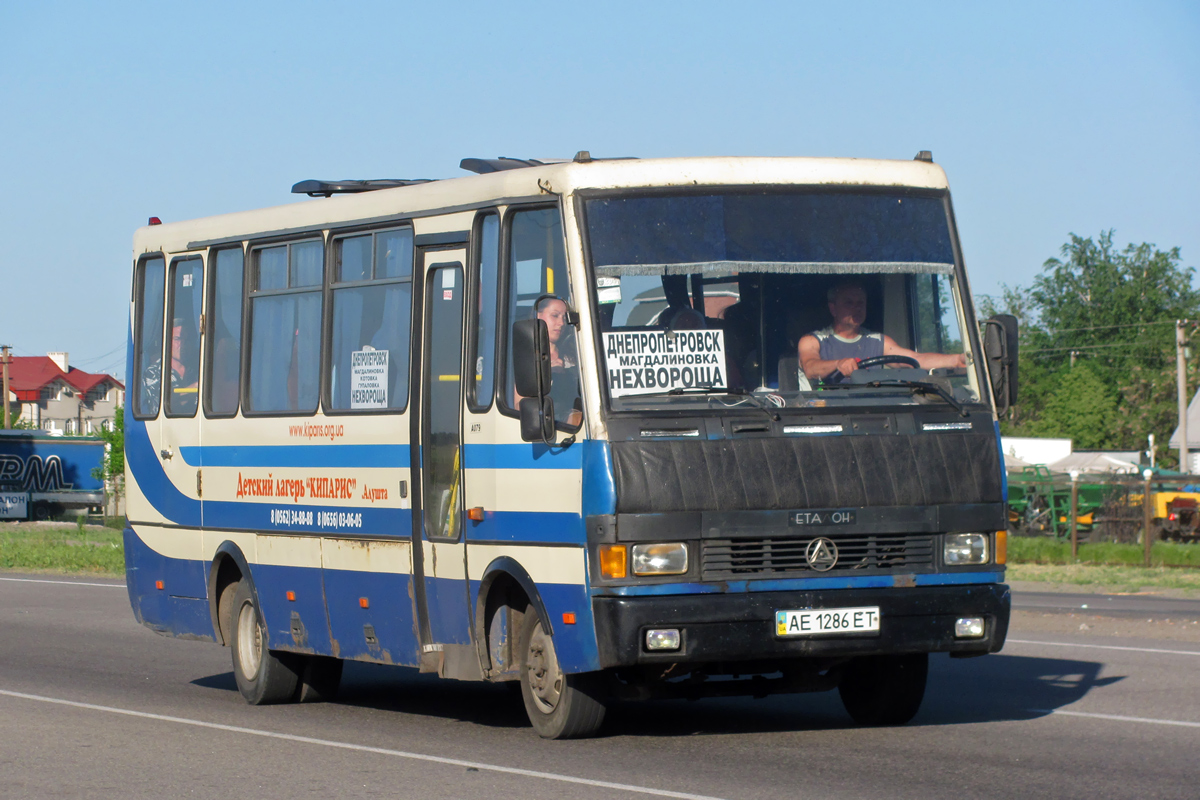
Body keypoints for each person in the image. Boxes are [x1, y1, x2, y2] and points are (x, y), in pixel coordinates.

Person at [798, 282, 966, 383]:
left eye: (860, 303)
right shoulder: (813, 340)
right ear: (833, 308)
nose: (856, 308)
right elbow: (811, 368)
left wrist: (957, 360)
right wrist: (837, 364)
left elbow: (914, 359)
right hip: (829, 410)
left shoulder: (878, 340)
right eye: (849, 303)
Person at [517, 297, 583, 427]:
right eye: (555, 316)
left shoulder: (576, 354)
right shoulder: (526, 356)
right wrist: (546, 376)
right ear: (538, 315)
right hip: (546, 424)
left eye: (564, 318)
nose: (561, 323)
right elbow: (518, 406)